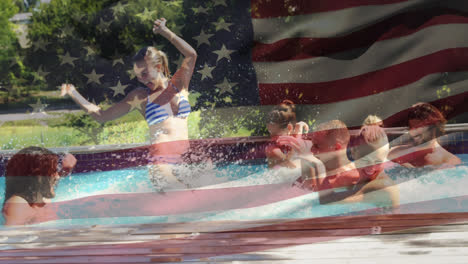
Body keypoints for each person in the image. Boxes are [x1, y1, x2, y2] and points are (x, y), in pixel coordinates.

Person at [61, 18, 198, 190]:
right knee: (182, 202)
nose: (141, 78)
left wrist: (165, 31)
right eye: (138, 74)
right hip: (162, 164)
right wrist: (73, 92)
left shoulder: (180, 84)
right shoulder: (140, 97)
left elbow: (191, 55)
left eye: (145, 72)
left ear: (159, 66)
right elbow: (102, 116)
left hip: (186, 161)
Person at [278, 120, 361, 203]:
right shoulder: (321, 164)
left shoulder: (352, 177)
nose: (312, 149)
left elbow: (325, 203)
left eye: (317, 146)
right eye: (312, 144)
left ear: (336, 148)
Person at [2, 146, 77, 226]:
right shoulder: (18, 204)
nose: (57, 176)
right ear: (38, 177)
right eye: (53, 171)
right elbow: (12, 235)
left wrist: (66, 169)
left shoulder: (40, 195)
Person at [388, 103, 461, 167]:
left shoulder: (449, 161)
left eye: (418, 127)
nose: (413, 133)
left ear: (434, 128)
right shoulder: (396, 152)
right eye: (411, 127)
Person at [349, 121, 399, 208]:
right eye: (365, 160)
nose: (371, 168)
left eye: (378, 162)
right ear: (353, 153)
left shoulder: (385, 188)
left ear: (386, 157)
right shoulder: (353, 179)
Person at [265, 100, 309, 169]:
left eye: (275, 135)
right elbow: (292, 166)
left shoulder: (292, 140)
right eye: (270, 133)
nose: (272, 138)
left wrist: (298, 129)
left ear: (289, 128)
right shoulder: (272, 149)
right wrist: (299, 130)